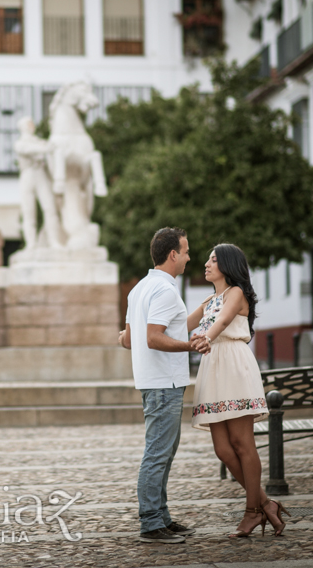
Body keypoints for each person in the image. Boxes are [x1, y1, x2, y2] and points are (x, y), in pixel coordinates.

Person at [188, 243, 290, 537]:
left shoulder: (236, 293)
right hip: (213, 369)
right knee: (223, 450)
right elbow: (179, 325)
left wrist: (206, 336)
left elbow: (221, 322)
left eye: (213, 260)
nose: (206, 264)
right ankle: (266, 504)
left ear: (228, 266)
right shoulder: (210, 299)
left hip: (233, 366)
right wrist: (140, 329)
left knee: (242, 443)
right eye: (207, 259)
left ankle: (251, 512)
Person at [118, 227, 198, 544]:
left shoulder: (139, 289)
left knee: (163, 452)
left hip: (156, 382)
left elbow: (128, 339)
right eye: (187, 251)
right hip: (164, 382)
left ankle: (161, 516)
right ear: (173, 254)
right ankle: (151, 523)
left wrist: (203, 310)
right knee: (156, 454)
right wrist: (191, 347)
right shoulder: (165, 290)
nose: (190, 257)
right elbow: (153, 337)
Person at [14, 116, 62, 249]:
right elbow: (27, 149)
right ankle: (31, 243)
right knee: (28, 212)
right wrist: (46, 148)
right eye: (29, 123)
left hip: (40, 175)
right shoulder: (20, 143)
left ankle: (53, 241)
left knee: (50, 208)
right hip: (28, 175)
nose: (32, 125)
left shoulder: (40, 142)